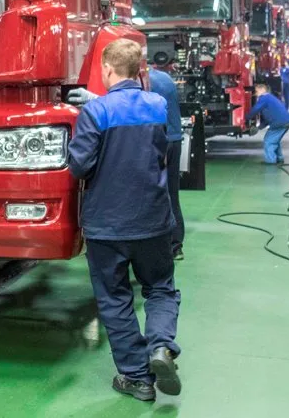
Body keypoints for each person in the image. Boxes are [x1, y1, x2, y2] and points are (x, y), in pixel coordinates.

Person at [66, 39, 181, 402]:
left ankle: (137, 378)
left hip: (107, 223)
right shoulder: (158, 105)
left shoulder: (96, 111)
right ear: (138, 70)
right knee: (160, 287)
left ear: (107, 69)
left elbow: (80, 165)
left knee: (115, 297)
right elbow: (165, 152)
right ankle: (160, 346)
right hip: (153, 219)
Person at [148, 68, 185, 261]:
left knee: (153, 195)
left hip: (159, 140)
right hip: (174, 139)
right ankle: (176, 246)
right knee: (172, 194)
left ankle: (154, 246)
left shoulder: (144, 81)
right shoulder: (164, 77)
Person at [248, 82, 289, 165]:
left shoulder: (264, 98)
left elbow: (255, 109)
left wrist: (245, 117)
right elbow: (268, 118)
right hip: (285, 121)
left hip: (279, 123)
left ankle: (271, 161)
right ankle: (279, 159)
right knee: (275, 140)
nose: (256, 94)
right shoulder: (270, 98)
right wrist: (259, 127)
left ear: (262, 89)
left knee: (268, 141)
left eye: (256, 91)